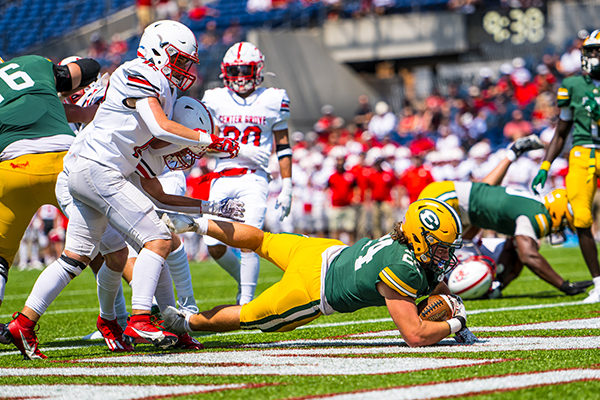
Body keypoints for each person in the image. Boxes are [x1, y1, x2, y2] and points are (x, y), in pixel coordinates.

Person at [5, 21, 240, 360]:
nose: (186, 69)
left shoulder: (155, 123)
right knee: (158, 239)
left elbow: (159, 193)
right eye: (181, 60)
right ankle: (141, 319)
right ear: (158, 51)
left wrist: (210, 206)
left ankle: (23, 323)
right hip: (96, 168)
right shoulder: (139, 71)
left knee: (77, 257)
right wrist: (207, 139)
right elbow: (161, 126)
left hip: (92, 169)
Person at [160, 198, 476, 347]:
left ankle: (197, 224)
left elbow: (435, 286)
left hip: (320, 251)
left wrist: (448, 305)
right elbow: (415, 335)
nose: (445, 255)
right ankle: (185, 322)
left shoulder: (406, 244)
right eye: (440, 247)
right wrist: (455, 322)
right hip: (312, 289)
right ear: (421, 239)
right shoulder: (403, 269)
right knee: (250, 316)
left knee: (261, 239)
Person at [420, 135, 592, 297]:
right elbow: (529, 256)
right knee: (432, 258)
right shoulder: (537, 215)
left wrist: (499, 284)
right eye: (563, 224)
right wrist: (564, 285)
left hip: (448, 199)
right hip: (444, 201)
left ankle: (493, 286)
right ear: (557, 213)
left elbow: (483, 190)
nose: (559, 230)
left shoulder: (529, 205)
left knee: (505, 249)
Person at [0, 54, 100, 310]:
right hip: (63, 162)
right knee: (112, 243)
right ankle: (141, 314)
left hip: (11, 169)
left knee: (0, 259)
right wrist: (54, 88)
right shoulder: (31, 64)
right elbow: (89, 68)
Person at [200, 42, 292, 305]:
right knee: (212, 244)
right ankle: (242, 281)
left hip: (254, 177)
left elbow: (283, 145)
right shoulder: (214, 99)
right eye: (234, 70)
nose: (240, 76)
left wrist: (287, 186)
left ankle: (247, 302)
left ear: (258, 69)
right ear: (225, 71)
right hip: (221, 174)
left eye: (245, 69)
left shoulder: (274, 98)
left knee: (249, 238)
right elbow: (202, 144)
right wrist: (239, 149)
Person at [532, 30, 600, 303]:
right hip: (582, 152)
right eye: (590, 51)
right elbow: (561, 131)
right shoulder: (572, 85)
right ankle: (598, 282)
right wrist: (545, 165)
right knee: (581, 217)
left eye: (598, 51)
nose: (593, 56)